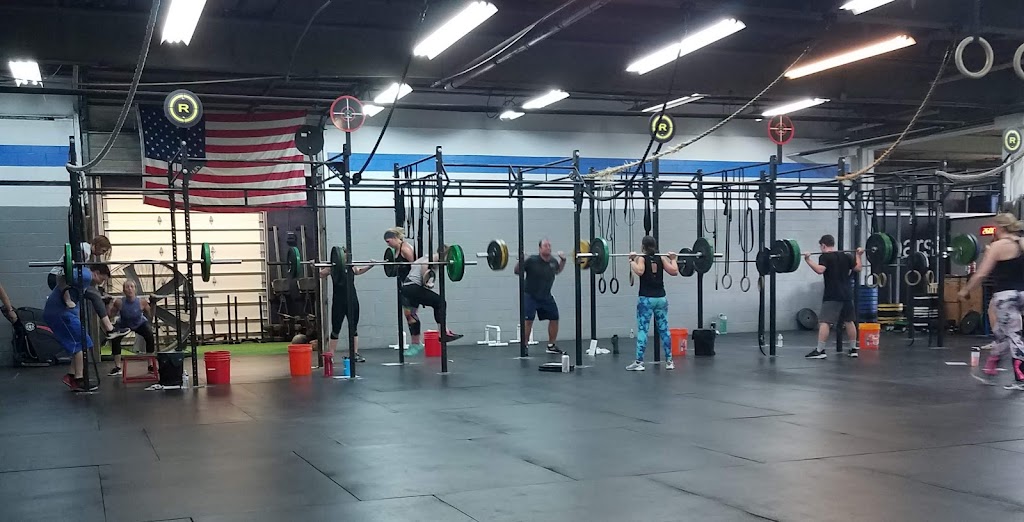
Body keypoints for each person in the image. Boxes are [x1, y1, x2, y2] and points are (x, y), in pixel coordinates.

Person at [962, 213, 1024, 389]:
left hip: (1006, 297)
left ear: (1000, 227)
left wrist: (966, 289)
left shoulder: (998, 246)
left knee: (1014, 336)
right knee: (1001, 334)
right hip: (1021, 294)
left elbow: (981, 273)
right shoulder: (1021, 242)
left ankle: (1021, 378)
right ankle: (990, 370)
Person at [43, 264, 125, 392]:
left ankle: (71, 376)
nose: (101, 283)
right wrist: (67, 299)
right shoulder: (86, 275)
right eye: (102, 279)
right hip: (60, 313)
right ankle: (78, 380)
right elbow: (60, 276)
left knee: (85, 342)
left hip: (64, 313)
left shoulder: (85, 279)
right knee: (82, 343)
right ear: (96, 273)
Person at [396, 242, 464, 355]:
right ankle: (443, 332)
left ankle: (415, 344)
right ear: (446, 254)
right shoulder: (436, 257)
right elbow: (424, 265)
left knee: (412, 315)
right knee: (440, 302)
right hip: (413, 287)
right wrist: (425, 280)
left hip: (406, 288)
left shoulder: (426, 256)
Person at [803, 235, 864, 359]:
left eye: (821, 247)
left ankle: (820, 351)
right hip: (847, 294)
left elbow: (820, 270)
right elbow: (858, 268)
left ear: (823, 245)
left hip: (832, 295)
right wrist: (859, 255)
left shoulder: (825, 257)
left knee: (825, 322)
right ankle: (853, 349)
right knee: (849, 321)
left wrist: (808, 259)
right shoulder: (846, 256)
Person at [625, 236, 679, 371]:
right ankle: (669, 361)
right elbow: (674, 271)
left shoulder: (642, 258)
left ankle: (639, 362)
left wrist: (631, 260)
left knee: (643, 330)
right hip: (661, 299)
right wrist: (673, 259)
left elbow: (639, 271)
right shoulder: (661, 258)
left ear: (643, 246)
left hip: (646, 300)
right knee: (664, 330)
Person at [319, 247, 374, 363]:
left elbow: (358, 271)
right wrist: (312, 266)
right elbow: (320, 274)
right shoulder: (332, 266)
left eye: (346, 255)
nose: (345, 257)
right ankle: (331, 355)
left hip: (352, 300)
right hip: (338, 301)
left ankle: (355, 354)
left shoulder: (351, 265)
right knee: (336, 329)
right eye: (343, 255)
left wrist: (370, 266)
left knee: (353, 328)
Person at [514, 238, 566, 354]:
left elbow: (557, 271)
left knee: (554, 318)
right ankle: (524, 346)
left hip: (546, 296)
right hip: (530, 296)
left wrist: (563, 260)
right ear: (540, 248)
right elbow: (517, 271)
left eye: (549, 245)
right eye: (545, 246)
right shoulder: (531, 260)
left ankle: (551, 346)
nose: (548, 248)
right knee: (528, 321)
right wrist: (521, 260)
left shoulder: (553, 261)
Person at [106, 280, 156, 377]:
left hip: (139, 323)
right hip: (124, 324)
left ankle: (150, 365)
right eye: (127, 287)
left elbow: (151, 315)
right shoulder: (119, 302)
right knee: (115, 338)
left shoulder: (142, 302)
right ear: (124, 290)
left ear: (135, 289)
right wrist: (107, 304)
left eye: (132, 287)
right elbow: (110, 315)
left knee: (149, 336)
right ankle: (117, 367)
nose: (129, 289)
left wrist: (153, 303)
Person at [49, 235, 111, 310]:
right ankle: (67, 300)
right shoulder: (85, 251)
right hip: (57, 276)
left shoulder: (86, 250)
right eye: (103, 250)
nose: (102, 253)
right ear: (97, 245)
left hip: (58, 276)